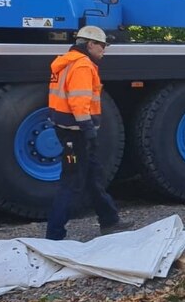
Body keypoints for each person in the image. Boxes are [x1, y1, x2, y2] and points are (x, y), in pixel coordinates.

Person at [45, 25, 125, 240]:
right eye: (102, 45)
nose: (104, 50)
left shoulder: (66, 62)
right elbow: (79, 102)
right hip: (76, 132)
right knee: (70, 180)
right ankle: (54, 234)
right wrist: (88, 130)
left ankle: (109, 220)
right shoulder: (82, 66)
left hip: (68, 129)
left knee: (92, 174)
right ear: (90, 44)